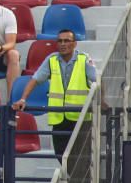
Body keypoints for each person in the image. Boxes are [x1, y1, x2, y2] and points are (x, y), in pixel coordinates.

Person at [13, 29, 97, 159]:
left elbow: (99, 80)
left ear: (74, 44)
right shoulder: (51, 60)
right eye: (60, 41)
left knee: (81, 158)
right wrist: (23, 99)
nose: (63, 44)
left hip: (80, 118)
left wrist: (101, 101)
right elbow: (35, 80)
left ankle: (76, 179)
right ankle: (69, 179)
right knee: (60, 155)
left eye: (67, 41)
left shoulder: (84, 59)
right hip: (59, 117)